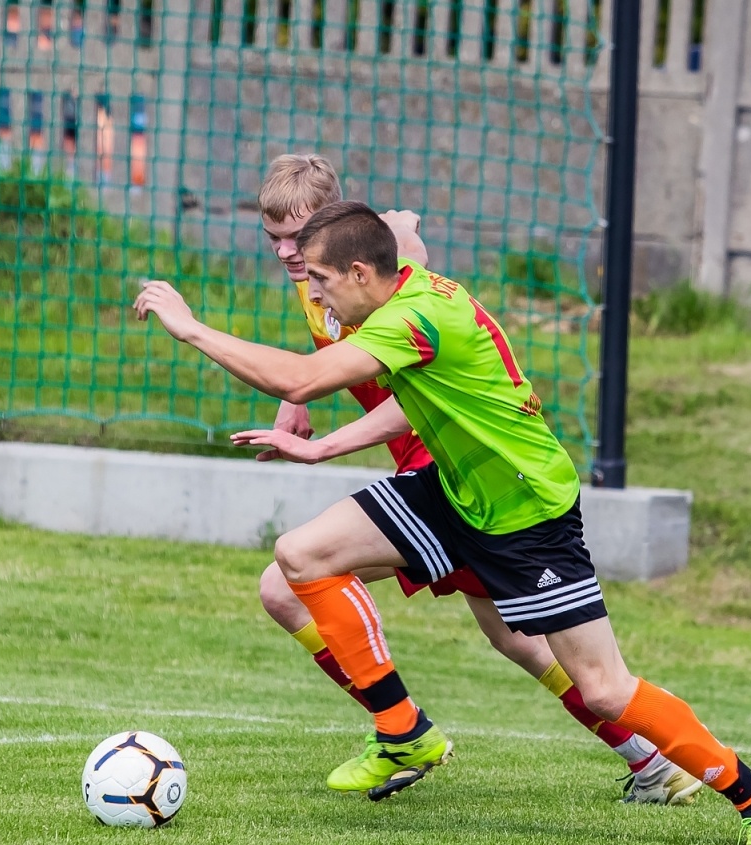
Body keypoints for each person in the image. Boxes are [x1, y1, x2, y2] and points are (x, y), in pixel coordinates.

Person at [135, 201, 751, 845]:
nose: (319, 299)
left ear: (362, 274)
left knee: (603, 688)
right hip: (453, 491)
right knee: (300, 556)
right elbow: (402, 240)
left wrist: (191, 328)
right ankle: (402, 730)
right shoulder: (405, 286)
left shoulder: (412, 318)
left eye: (323, 281)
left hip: (526, 512)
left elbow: (304, 380)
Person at [233, 155, 699, 806]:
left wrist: (326, 438)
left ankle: (402, 729)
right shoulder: (318, 275)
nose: (287, 252)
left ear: (336, 226)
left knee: (292, 584)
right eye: (273, 239)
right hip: (430, 468)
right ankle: (649, 758)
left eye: (298, 236)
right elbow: (333, 343)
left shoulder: (375, 259)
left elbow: (417, 364)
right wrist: (299, 400)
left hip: (451, 470)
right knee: (514, 636)